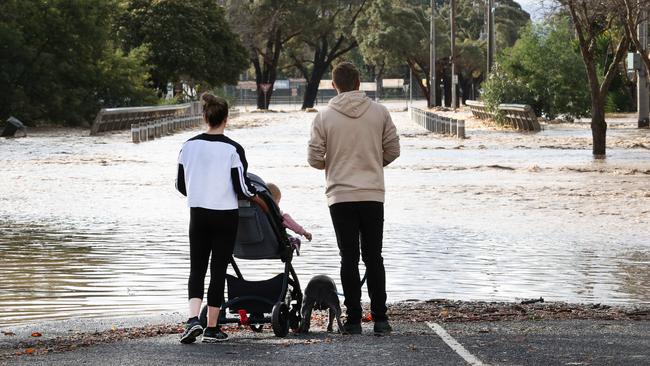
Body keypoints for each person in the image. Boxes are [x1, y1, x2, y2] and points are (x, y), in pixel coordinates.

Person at [307, 62, 400, 336]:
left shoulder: (324, 117)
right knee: (374, 257)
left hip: (340, 195)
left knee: (348, 257)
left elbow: (314, 158)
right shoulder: (380, 112)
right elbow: (393, 149)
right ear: (359, 82)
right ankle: (381, 318)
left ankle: (354, 319)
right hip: (372, 193)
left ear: (334, 85)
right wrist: (373, 163)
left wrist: (334, 165)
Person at [176, 93, 268, 344]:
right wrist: (259, 197)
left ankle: (193, 319)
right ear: (226, 119)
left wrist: (199, 192)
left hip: (198, 213)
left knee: (197, 267)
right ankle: (212, 328)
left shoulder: (188, 146)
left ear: (204, 116)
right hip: (225, 215)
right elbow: (242, 187)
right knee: (218, 269)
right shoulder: (232, 149)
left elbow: (180, 184)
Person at [267, 182, 312, 254]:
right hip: (274, 240)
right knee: (289, 237)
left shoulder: (257, 214)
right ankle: (293, 243)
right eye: (278, 202)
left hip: (259, 238)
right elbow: (293, 225)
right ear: (274, 201)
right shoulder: (280, 216)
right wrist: (304, 233)